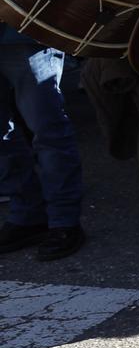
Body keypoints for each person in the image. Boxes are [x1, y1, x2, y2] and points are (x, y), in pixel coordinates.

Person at [0, 21, 86, 261]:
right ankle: (27, 216)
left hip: (26, 28)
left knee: (48, 130)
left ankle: (64, 221)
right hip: (21, 28)